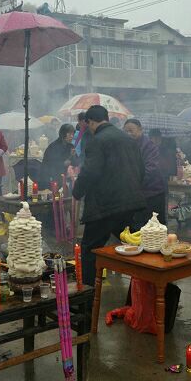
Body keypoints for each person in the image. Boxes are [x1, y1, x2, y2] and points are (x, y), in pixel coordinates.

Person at [73, 105, 145, 286]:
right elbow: (141, 170)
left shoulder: (97, 141)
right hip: (129, 201)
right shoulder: (129, 140)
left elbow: (90, 172)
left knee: (90, 249)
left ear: (91, 122)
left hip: (105, 206)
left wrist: (77, 191)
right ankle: (147, 285)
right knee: (136, 246)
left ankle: (88, 293)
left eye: (88, 124)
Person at [124, 119, 167, 226]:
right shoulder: (125, 146)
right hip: (135, 194)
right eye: (126, 131)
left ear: (140, 130)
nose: (128, 134)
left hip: (152, 192)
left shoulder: (149, 146)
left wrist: (133, 182)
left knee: (154, 226)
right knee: (137, 226)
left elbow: (151, 169)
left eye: (131, 130)